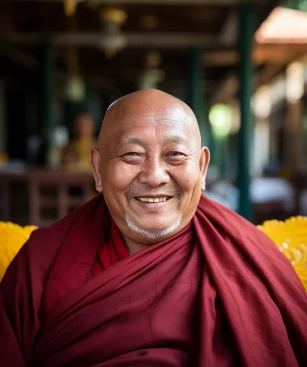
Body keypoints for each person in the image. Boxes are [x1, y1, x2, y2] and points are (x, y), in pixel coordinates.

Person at [0, 89, 306, 367]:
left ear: (201, 168)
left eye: (174, 154)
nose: (154, 176)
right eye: (132, 154)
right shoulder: (42, 260)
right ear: (97, 169)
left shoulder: (249, 254)